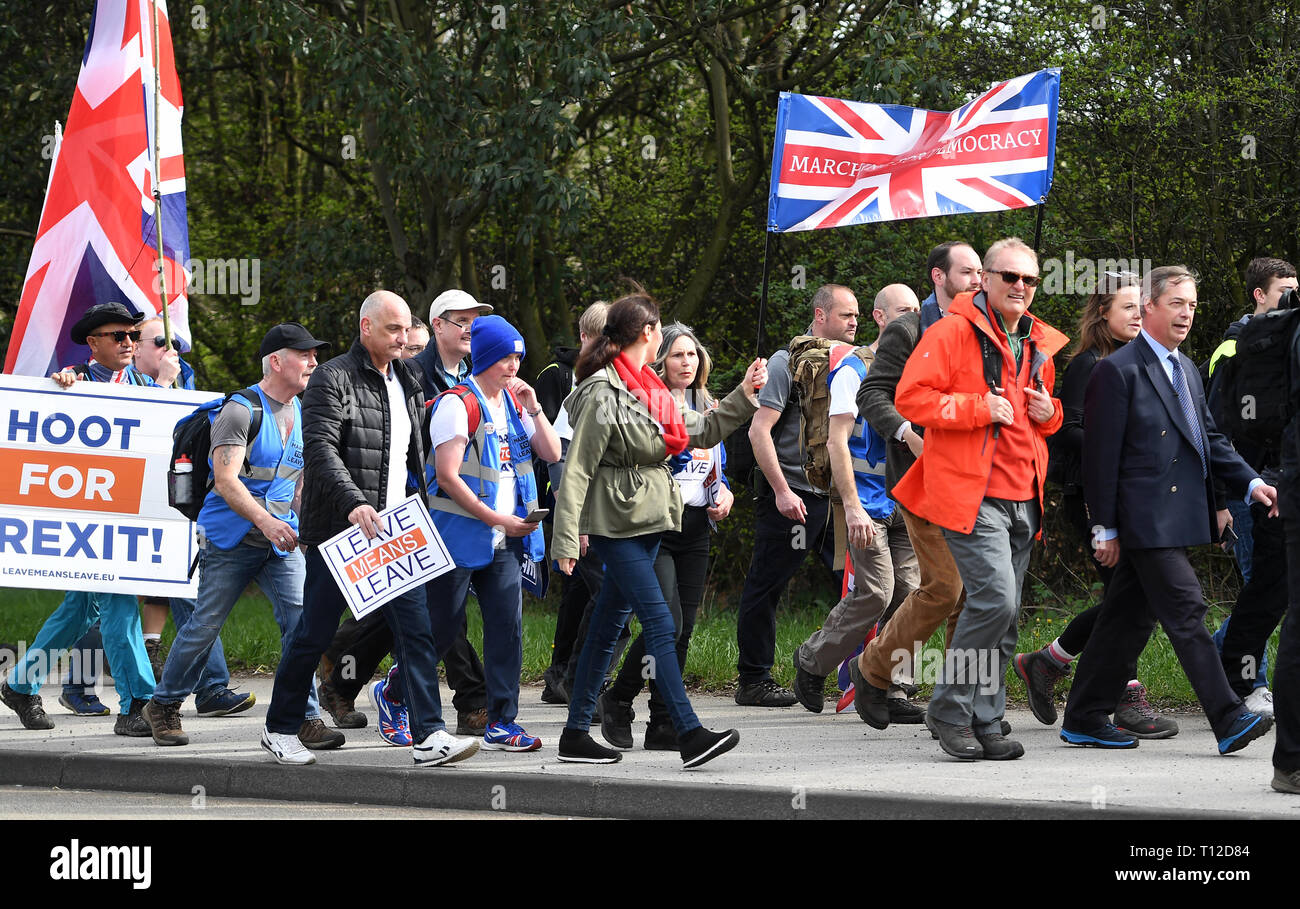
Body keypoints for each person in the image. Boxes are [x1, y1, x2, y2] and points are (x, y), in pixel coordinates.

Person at [1061, 265, 1278, 754]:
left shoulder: (1186, 369)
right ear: (1149, 308)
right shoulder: (1115, 371)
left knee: (1128, 618)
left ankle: (1084, 715)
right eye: (1177, 303)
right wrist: (1104, 528)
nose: (1187, 315)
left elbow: (1209, 440)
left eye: (1193, 306)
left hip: (1174, 519)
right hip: (1140, 521)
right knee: (1186, 609)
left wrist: (1250, 483)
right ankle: (1228, 717)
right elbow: (1099, 458)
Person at [261, 291, 479, 767]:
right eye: (393, 330)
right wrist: (355, 503)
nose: (403, 339)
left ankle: (429, 735)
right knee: (314, 633)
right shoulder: (332, 379)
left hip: (397, 531)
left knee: (417, 632)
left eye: (406, 330)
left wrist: (419, 510)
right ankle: (279, 727)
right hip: (339, 532)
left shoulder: (408, 378)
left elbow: (408, 457)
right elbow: (320, 449)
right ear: (366, 328)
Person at [552, 290, 767, 767]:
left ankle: (574, 734)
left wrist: (745, 397)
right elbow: (578, 469)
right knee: (661, 621)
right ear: (648, 334)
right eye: (659, 332)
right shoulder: (602, 394)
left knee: (608, 626)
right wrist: (566, 538)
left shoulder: (645, 386)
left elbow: (701, 429)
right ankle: (688, 732)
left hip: (650, 519)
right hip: (618, 526)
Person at [888, 237, 1067, 761]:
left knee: (1006, 615)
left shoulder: (1038, 343)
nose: (1019, 287)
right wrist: (977, 407)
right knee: (995, 600)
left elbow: (1047, 418)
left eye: (1028, 280)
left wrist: (1048, 413)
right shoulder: (949, 332)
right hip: (971, 493)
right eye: (1008, 276)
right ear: (983, 279)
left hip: (1023, 496)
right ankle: (949, 710)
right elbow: (910, 398)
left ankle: (987, 719)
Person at [143, 323, 340, 750]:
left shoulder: (301, 411)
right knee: (205, 626)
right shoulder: (240, 410)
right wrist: (267, 522)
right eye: (303, 354)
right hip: (231, 538)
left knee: (300, 626)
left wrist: (305, 530)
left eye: (314, 354)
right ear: (276, 361)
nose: (313, 362)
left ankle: (302, 716)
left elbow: (296, 480)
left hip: (280, 541)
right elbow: (227, 480)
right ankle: (163, 704)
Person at [317, 289, 492, 738]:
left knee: (420, 620)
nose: (471, 328)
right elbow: (335, 448)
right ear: (437, 325)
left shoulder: (476, 375)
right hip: (384, 516)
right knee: (432, 616)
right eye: (461, 320)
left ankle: (352, 679)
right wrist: (363, 501)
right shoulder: (409, 373)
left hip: (443, 513)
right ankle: (469, 700)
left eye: (476, 320)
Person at [1013, 272, 1177, 738]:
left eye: (1140, 307)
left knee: (1128, 601)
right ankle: (1120, 696)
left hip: (1135, 502)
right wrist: (1126, 449)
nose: (1136, 315)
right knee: (1131, 601)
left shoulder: (1143, 361)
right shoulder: (1090, 364)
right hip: (1092, 501)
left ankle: (1049, 661)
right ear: (1103, 312)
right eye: (1127, 307)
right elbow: (1068, 431)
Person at [1, 302, 158, 735]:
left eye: (133, 336)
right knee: (119, 601)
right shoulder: (73, 382)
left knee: (79, 609)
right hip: (84, 518)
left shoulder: (147, 384)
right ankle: (136, 704)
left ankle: (19, 683)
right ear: (93, 343)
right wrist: (57, 390)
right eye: (118, 336)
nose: (129, 343)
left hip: (127, 514)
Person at [849, 242, 981, 731]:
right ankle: (874, 668)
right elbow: (871, 393)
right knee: (945, 589)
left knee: (974, 596)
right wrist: (907, 432)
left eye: (981, 272)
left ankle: (960, 705)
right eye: (967, 271)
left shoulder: (984, 329)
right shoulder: (909, 329)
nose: (977, 279)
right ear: (938, 277)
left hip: (975, 478)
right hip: (920, 478)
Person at [422, 315, 561, 752]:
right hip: (458, 537)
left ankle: (503, 722)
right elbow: (447, 477)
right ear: (483, 357)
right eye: (505, 357)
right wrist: (494, 518)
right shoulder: (456, 403)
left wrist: (535, 407)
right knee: (441, 630)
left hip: (506, 541)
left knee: (507, 630)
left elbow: (552, 452)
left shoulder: (516, 404)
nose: (513, 366)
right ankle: (395, 692)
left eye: (518, 356)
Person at [599, 323, 738, 749]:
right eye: (678, 354)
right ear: (661, 360)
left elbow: (718, 465)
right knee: (667, 622)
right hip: (658, 524)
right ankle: (618, 699)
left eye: (692, 355)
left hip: (697, 527)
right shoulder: (648, 401)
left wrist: (726, 492)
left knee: (684, 629)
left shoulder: (707, 406)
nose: (686, 362)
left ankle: (662, 722)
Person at [791, 285, 922, 717]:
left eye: (918, 311)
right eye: (903, 311)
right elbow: (837, 442)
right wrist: (851, 507)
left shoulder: (921, 368)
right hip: (867, 504)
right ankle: (812, 662)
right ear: (880, 318)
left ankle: (892, 688)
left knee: (916, 594)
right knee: (877, 593)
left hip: (911, 502)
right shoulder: (854, 368)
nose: (913, 318)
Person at [734, 284, 859, 707]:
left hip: (837, 498)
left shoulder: (853, 366)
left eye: (858, 315)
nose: (854, 322)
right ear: (821, 317)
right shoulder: (785, 363)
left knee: (862, 588)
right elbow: (758, 430)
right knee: (767, 586)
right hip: (792, 498)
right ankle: (754, 680)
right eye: (846, 315)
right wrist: (782, 492)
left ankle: (822, 666)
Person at [1208, 257, 1299, 717]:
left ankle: (1210, 654)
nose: (1292, 299)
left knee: (1270, 592)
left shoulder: (1290, 344)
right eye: (1284, 290)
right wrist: (1227, 497)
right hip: (1250, 489)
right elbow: (1216, 430)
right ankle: (1249, 687)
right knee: (1258, 588)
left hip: (1284, 484)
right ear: (1259, 295)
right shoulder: (1235, 348)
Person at [535, 301, 611, 704]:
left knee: (582, 593)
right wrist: (571, 517)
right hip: (569, 503)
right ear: (584, 337)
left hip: (600, 510)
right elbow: (554, 451)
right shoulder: (560, 377)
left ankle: (563, 675)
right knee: (595, 593)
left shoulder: (619, 381)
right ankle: (576, 677)